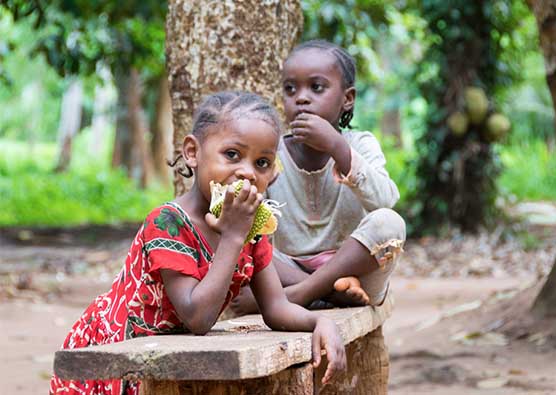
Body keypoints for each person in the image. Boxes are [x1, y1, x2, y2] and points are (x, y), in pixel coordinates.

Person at [49, 91, 346, 395]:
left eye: (261, 162)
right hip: (115, 354)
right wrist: (232, 236)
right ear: (193, 152)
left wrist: (319, 322)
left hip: (172, 360)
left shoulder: (249, 228)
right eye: (232, 154)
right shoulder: (167, 223)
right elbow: (197, 317)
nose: (247, 171)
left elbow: (275, 307)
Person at [231, 40, 406, 315]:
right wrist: (262, 177)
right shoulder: (270, 153)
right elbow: (250, 226)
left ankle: (301, 295)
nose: (301, 98)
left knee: (390, 224)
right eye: (290, 89)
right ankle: (327, 293)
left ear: (347, 98)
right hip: (287, 272)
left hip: (357, 275)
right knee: (236, 231)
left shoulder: (360, 144)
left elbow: (385, 199)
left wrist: (338, 147)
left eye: (316, 87)